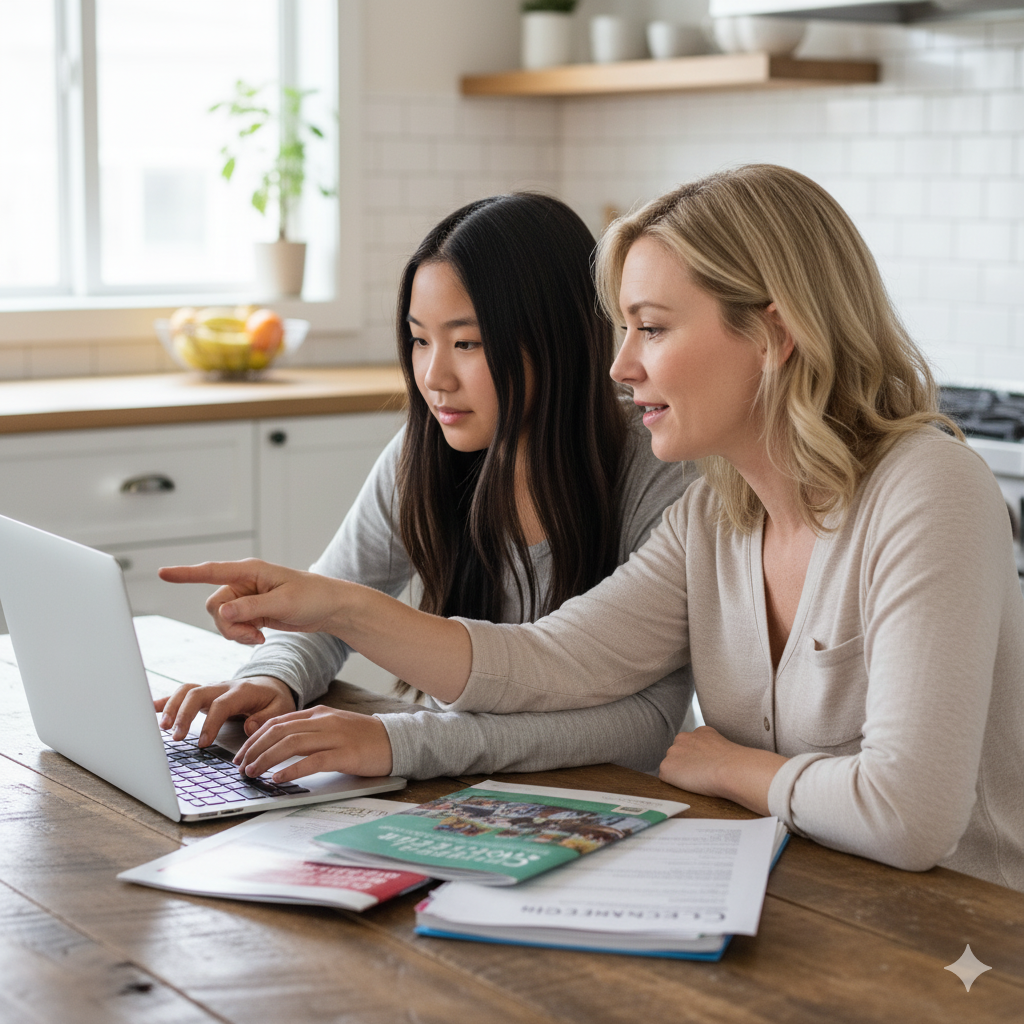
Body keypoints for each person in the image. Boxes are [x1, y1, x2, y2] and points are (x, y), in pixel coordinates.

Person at [162, 166, 1024, 892]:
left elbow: (908, 815)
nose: (620, 365)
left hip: (967, 941)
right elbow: (549, 662)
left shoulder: (927, 487)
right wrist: (335, 610)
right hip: (807, 895)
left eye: (651, 328)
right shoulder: (716, 514)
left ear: (773, 333)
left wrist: (732, 767)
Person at [157, 192, 696, 781]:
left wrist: (405, 741)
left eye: (467, 343)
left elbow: (645, 724)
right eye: (419, 339)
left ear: (558, 339)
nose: (434, 378)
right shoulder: (427, 452)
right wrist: (270, 679)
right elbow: (329, 606)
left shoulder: (659, 465)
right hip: (463, 793)